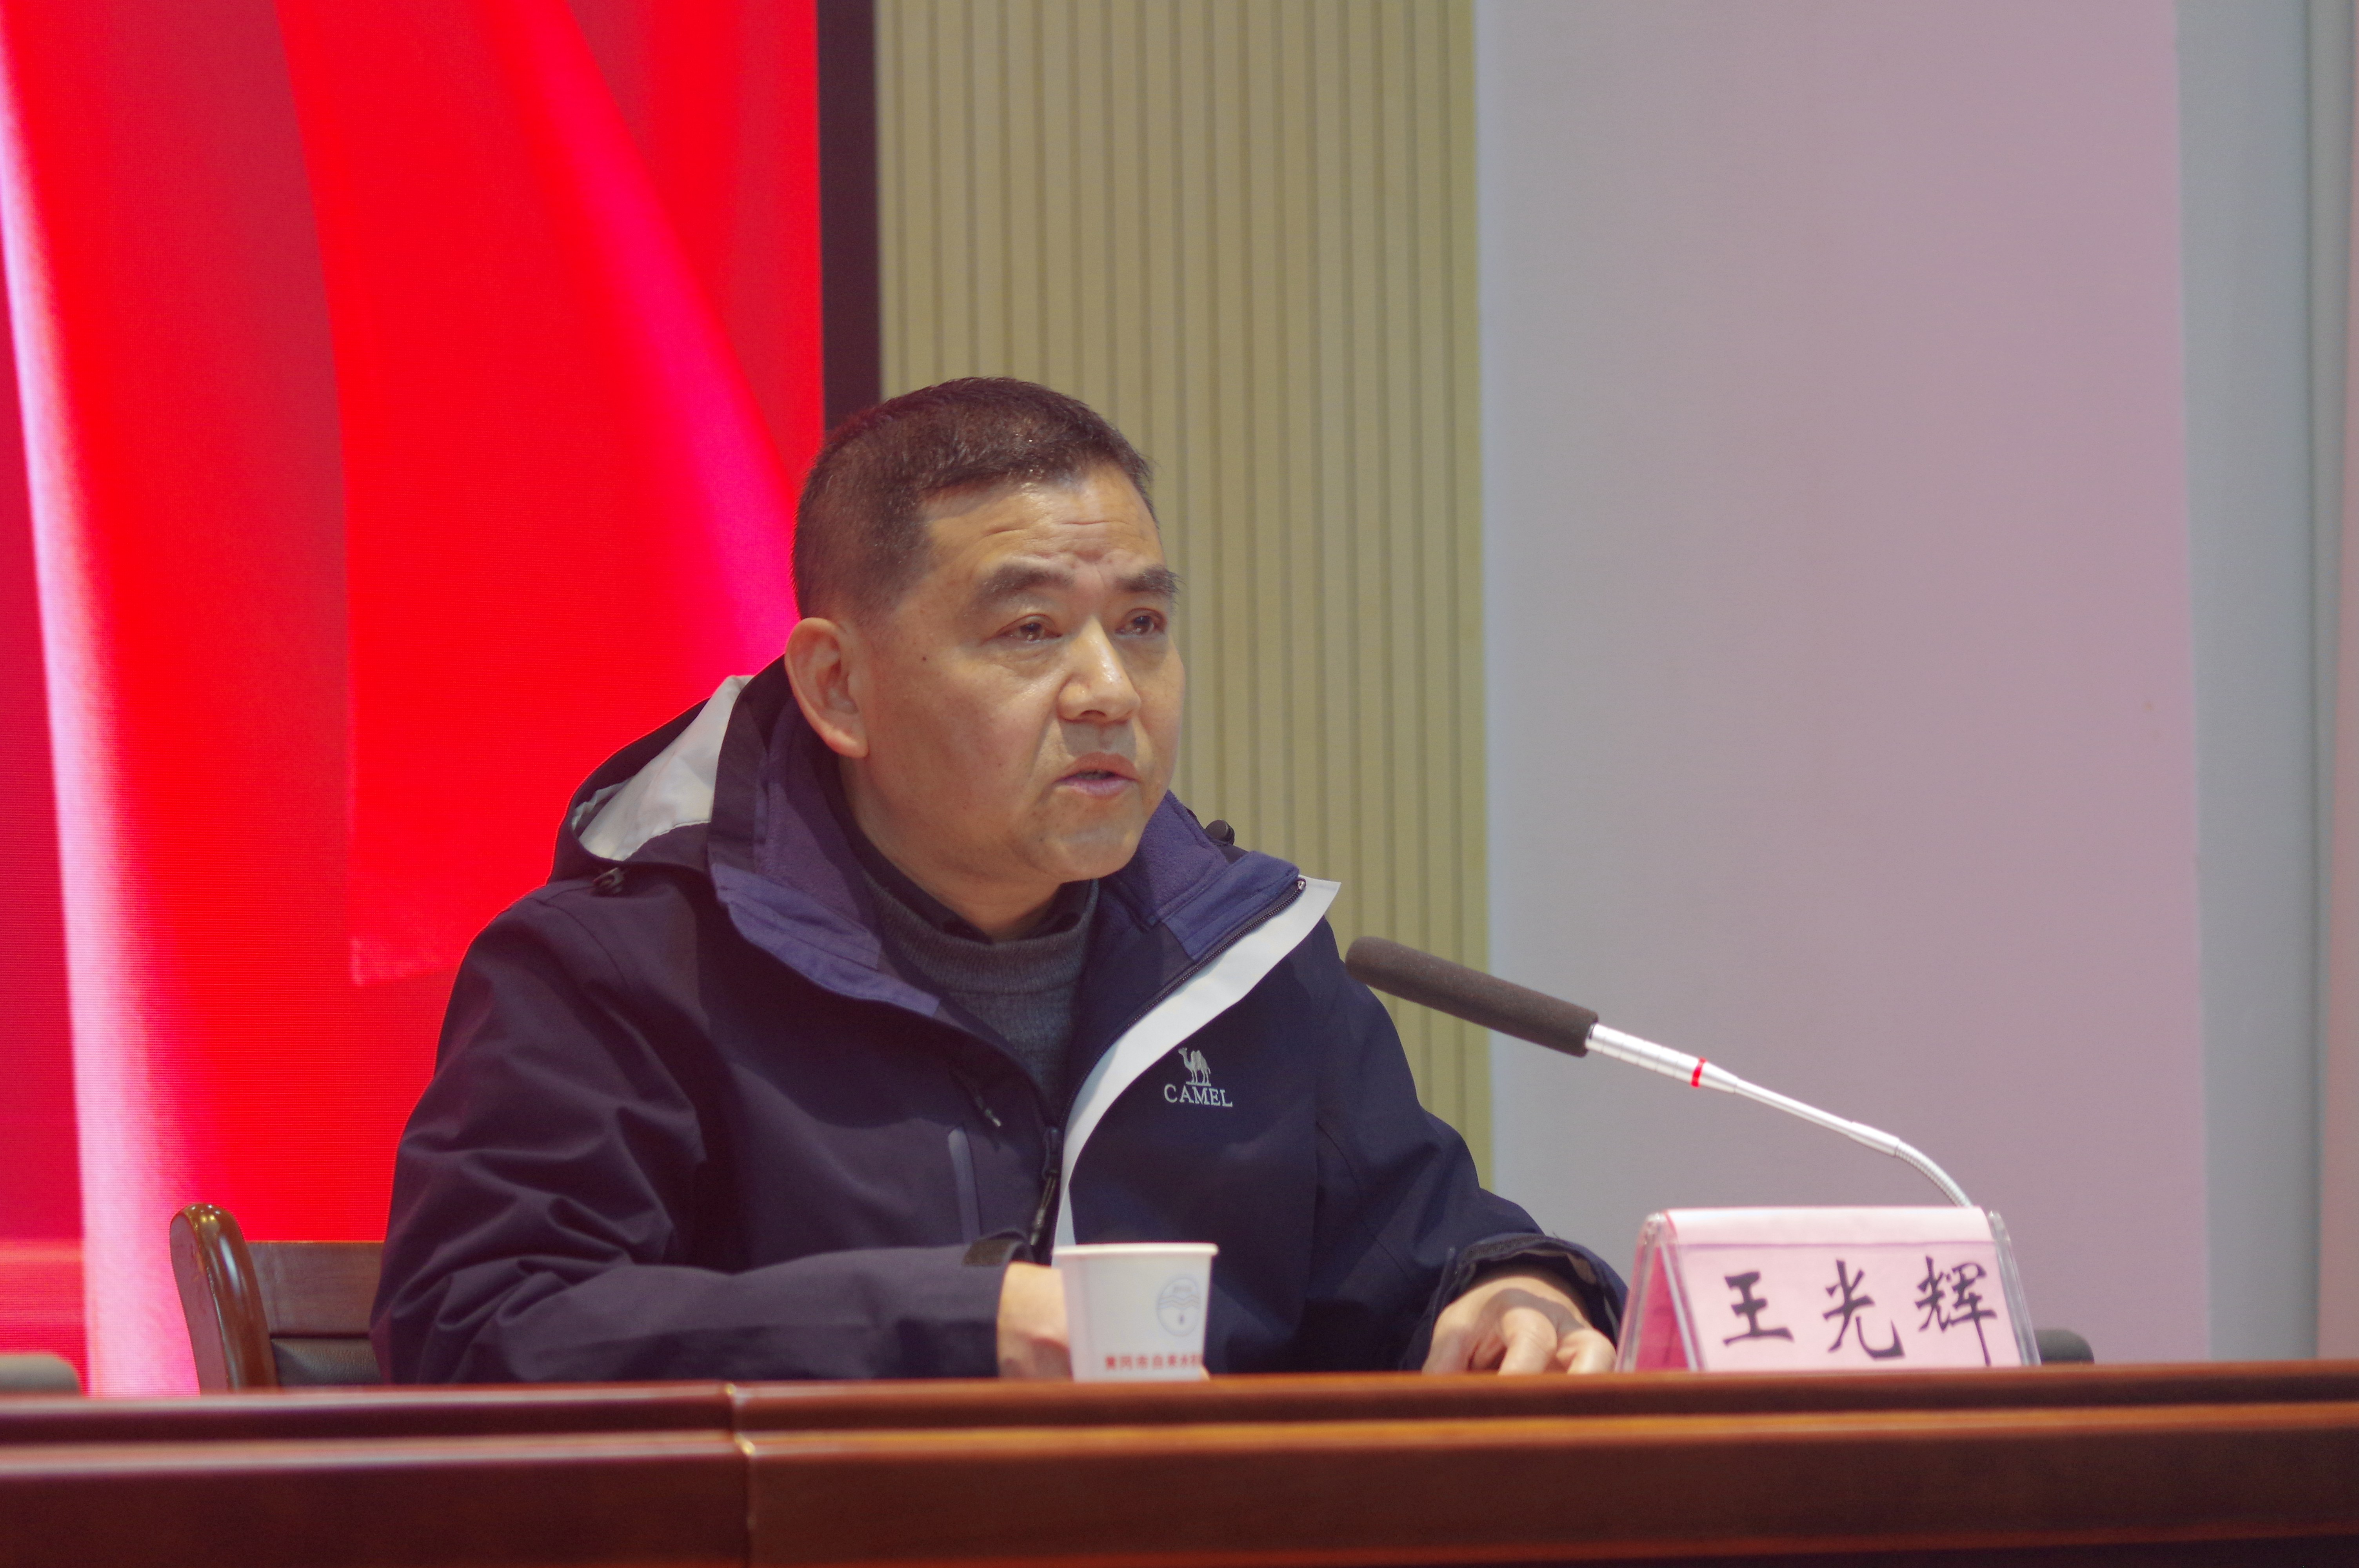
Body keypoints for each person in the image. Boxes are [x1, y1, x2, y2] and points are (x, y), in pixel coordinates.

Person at [371, 377, 1623, 1382]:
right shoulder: (622, 968)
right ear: (839, 688)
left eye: (1142, 626)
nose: (1111, 692)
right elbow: (479, 1325)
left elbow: (1423, 1255)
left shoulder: (1241, 965)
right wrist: (955, 1326)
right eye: (1031, 632)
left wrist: (1517, 1296)